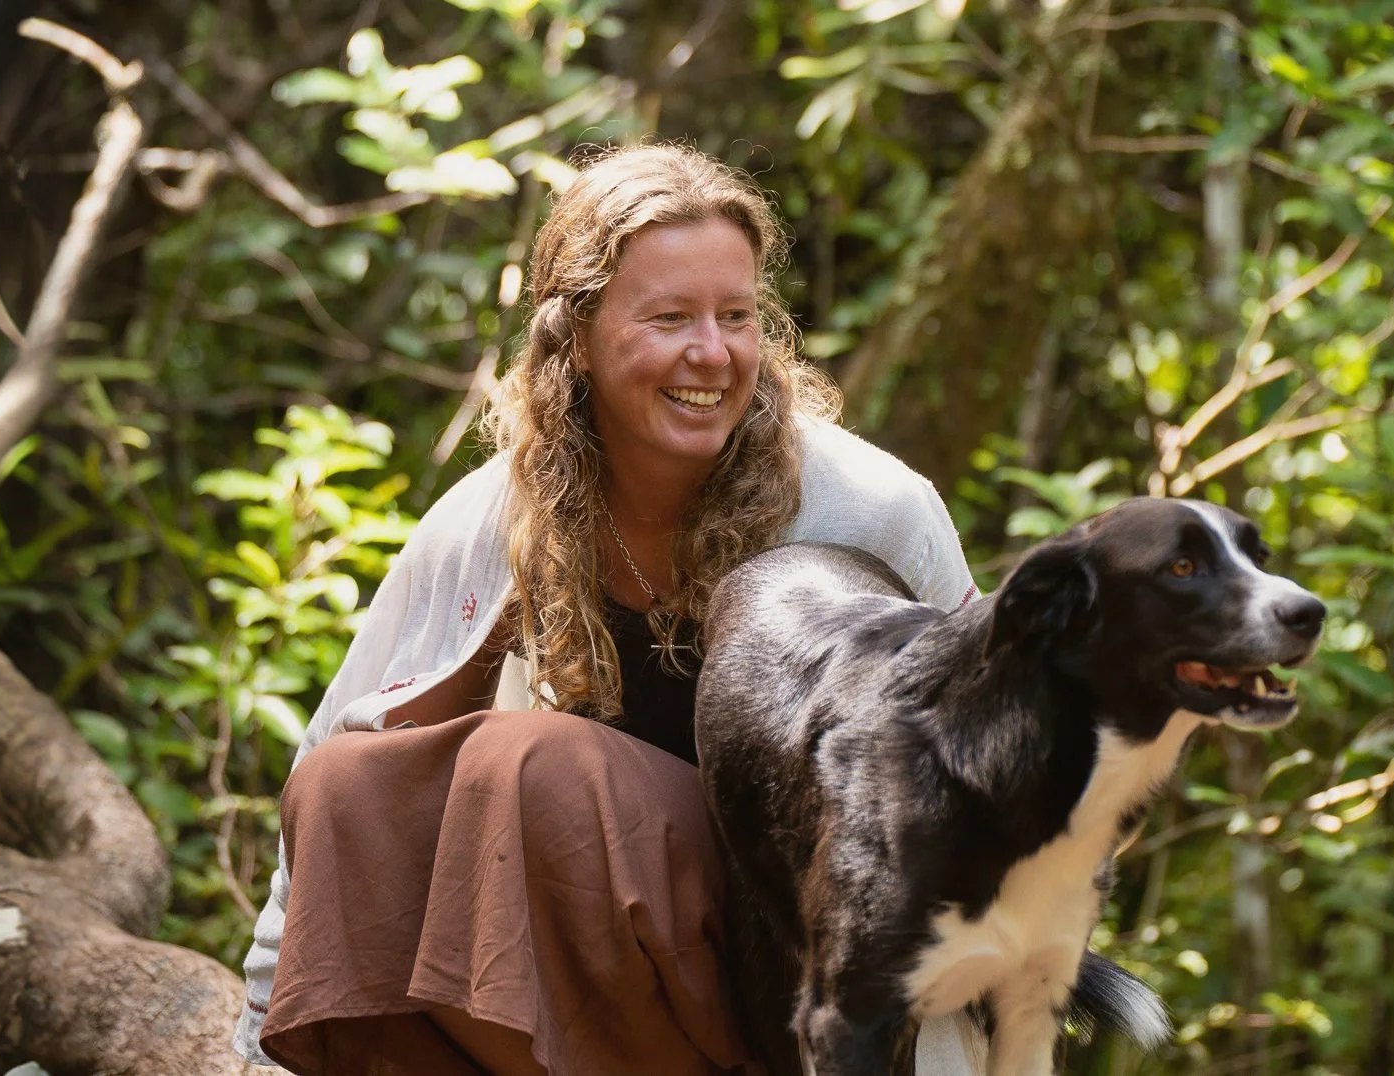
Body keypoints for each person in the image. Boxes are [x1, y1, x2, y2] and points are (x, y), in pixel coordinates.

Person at [233, 143, 977, 1075]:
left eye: (736, 316)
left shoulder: (868, 508)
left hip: (808, 979)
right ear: (575, 337)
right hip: (614, 971)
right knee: (349, 786)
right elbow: (326, 772)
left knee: (534, 765)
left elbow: (994, 780)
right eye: (669, 317)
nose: (712, 352)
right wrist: (251, 1042)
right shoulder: (493, 514)